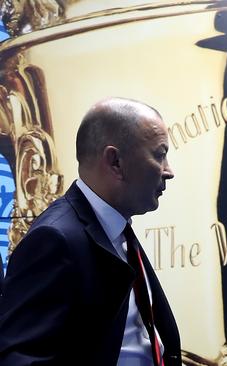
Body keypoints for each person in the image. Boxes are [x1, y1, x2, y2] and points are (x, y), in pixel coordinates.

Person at [0, 98, 180, 365]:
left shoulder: (117, 230)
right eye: (159, 154)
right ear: (115, 161)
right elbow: (21, 358)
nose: (169, 171)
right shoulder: (54, 239)